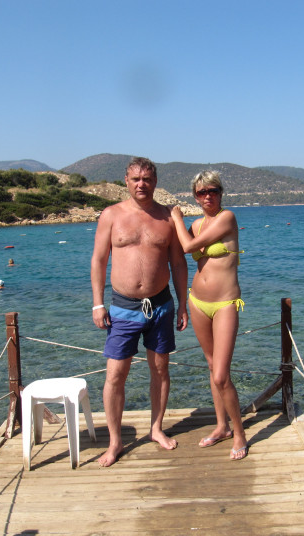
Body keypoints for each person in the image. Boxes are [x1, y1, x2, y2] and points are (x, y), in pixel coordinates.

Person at [91, 156, 189, 467]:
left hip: (161, 305)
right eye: (136, 179)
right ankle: (115, 441)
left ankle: (156, 428)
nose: (141, 184)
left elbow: (178, 263)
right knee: (115, 374)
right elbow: (99, 260)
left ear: (155, 181)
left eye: (147, 179)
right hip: (123, 307)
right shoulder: (111, 215)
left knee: (160, 369)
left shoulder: (167, 217)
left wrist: (183, 304)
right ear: (126, 181)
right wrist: (97, 303)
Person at [171, 170, 248, 460]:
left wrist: (175, 219)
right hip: (198, 301)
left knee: (221, 374)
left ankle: (239, 433)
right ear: (195, 196)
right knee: (212, 366)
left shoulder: (227, 218)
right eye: (202, 192)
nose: (207, 196)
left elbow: (189, 246)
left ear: (221, 192)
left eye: (212, 190)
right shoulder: (196, 224)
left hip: (225, 303)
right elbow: (179, 251)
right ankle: (221, 426)